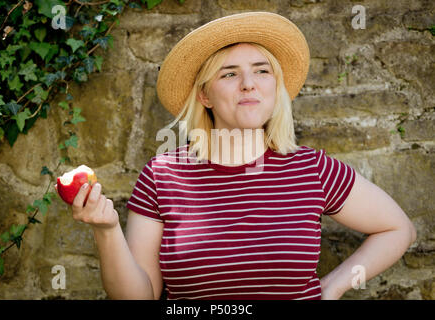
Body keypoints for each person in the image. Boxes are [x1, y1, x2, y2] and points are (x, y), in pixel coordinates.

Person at [56, 12, 417, 300]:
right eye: (229, 74)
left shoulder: (312, 169)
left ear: (275, 88)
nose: (249, 83)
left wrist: (333, 287)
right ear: (205, 96)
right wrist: (107, 230)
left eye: (262, 71)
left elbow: (398, 229)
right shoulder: (162, 175)